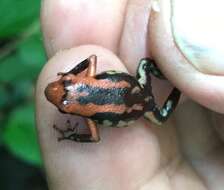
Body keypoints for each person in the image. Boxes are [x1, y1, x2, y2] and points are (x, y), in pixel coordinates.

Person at [36, 1, 224, 189]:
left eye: (66, 82)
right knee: (145, 69)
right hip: (140, 104)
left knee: (159, 114)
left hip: (140, 99)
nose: (63, 82)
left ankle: (176, 81)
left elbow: (94, 137)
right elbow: (91, 59)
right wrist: (73, 75)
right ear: (74, 111)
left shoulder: (89, 119)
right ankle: (175, 84)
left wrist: (72, 134)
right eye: (65, 106)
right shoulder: (89, 83)